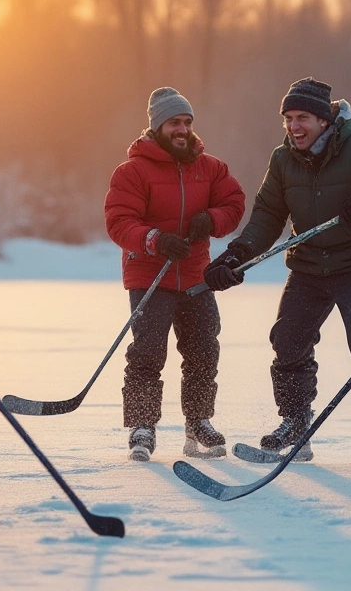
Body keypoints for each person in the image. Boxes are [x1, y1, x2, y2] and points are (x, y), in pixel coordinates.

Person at [204, 78, 351, 467]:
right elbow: (269, 214)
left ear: (325, 119)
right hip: (308, 265)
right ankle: (295, 424)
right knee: (288, 338)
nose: (293, 127)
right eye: (287, 118)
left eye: (302, 117)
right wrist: (237, 253)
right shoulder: (283, 159)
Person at [104, 88, 246, 461]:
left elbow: (234, 204)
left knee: (202, 352)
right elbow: (119, 222)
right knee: (147, 354)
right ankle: (142, 426)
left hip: (197, 276)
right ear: (157, 127)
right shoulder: (132, 171)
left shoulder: (210, 167)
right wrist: (155, 239)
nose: (182, 129)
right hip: (150, 276)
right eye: (174, 123)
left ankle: (198, 423)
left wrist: (211, 220)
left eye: (186, 122)